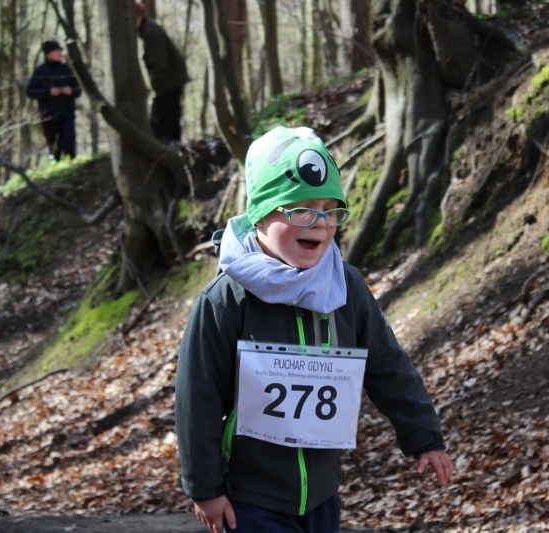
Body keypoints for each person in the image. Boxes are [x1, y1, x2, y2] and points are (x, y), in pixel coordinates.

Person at [175, 126, 454, 533]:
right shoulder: (227, 299)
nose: (320, 223)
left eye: (330, 209)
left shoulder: (344, 285)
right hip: (250, 497)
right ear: (261, 213)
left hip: (322, 495)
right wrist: (204, 487)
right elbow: (196, 395)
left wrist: (423, 436)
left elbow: (387, 363)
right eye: (301, 209)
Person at [135, 2, 190, 145]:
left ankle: (171, 151)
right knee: (168, 122)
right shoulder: (147, 30)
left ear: (138, 16)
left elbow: (159, 63)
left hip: (168, 83)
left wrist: (155, 87)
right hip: (168, 83)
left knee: (163, 125)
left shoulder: (150, 32)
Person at [26, 40, 81, 161]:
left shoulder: (67, 69)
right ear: (48, 54)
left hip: (67, 112)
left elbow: (78, 89)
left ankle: (70, 161)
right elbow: (30, 91)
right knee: (53, 142)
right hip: (48, 114)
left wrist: (71, 91)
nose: (60, 53)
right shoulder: (40, 71)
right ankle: (55, 162)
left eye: (60, 50)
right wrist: (48, 92)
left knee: (68, 138)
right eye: (57, 51)